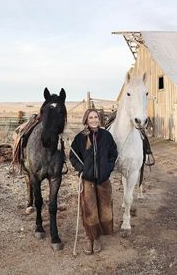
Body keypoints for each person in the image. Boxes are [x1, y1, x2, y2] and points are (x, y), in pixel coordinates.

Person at [69, 109, 118, 255]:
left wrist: (108, 168)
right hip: (87, 180)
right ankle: (90, 238)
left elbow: (113, 153)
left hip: (103, 180)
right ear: (86, 119)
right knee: (89, 210)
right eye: (91, 117)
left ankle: (98, 236)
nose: (94, 120)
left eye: (96, 117)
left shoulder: (106, 136)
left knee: (104, 208)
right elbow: (73, 156)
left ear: (99, 119)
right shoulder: (80, 138)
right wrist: (81, 169)